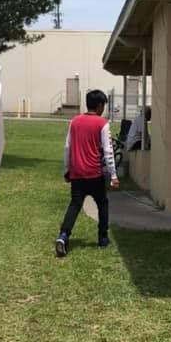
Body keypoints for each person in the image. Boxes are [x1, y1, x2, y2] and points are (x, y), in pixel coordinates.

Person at [56, 90, 119, 257]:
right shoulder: (102, 123)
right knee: (102, 204)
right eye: (103, 105)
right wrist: (113, 175)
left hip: (77, 174)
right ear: (99, 105)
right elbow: (108, 150)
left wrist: (67, 169)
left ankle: (63, 235)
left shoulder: (75, 121)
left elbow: (67, 147)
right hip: (95, 174)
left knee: (75, 205)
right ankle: (103, 237)